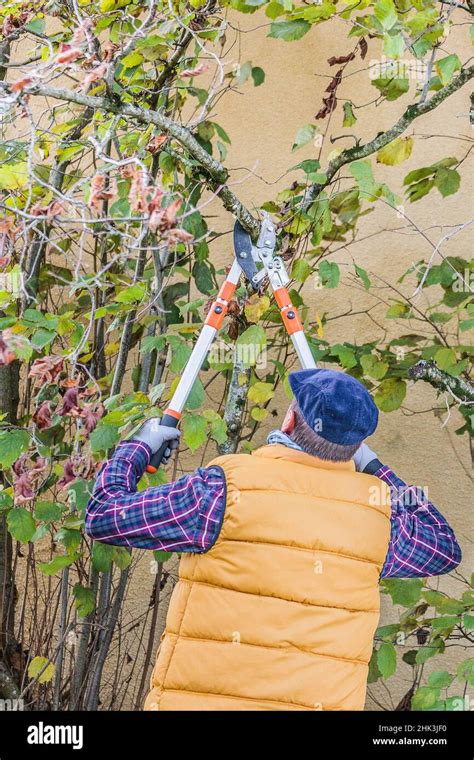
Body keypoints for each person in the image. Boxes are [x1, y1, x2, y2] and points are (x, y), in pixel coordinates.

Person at [85, 368, 461, 711]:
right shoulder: (378, 516)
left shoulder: (224, 490)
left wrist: (137, 447)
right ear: (357, 445)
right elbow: (443, 546)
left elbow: (103, 515)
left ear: (290, 419)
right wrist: (376, 470)